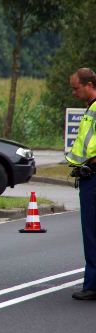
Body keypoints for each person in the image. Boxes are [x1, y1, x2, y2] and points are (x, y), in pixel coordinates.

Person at [66, 68, 96, 300]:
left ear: (89, 85)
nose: (74, 93)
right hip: (89, 174)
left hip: (93, 177)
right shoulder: (91, 109)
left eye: (76, 88)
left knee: (92, 232)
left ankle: (93, 285)